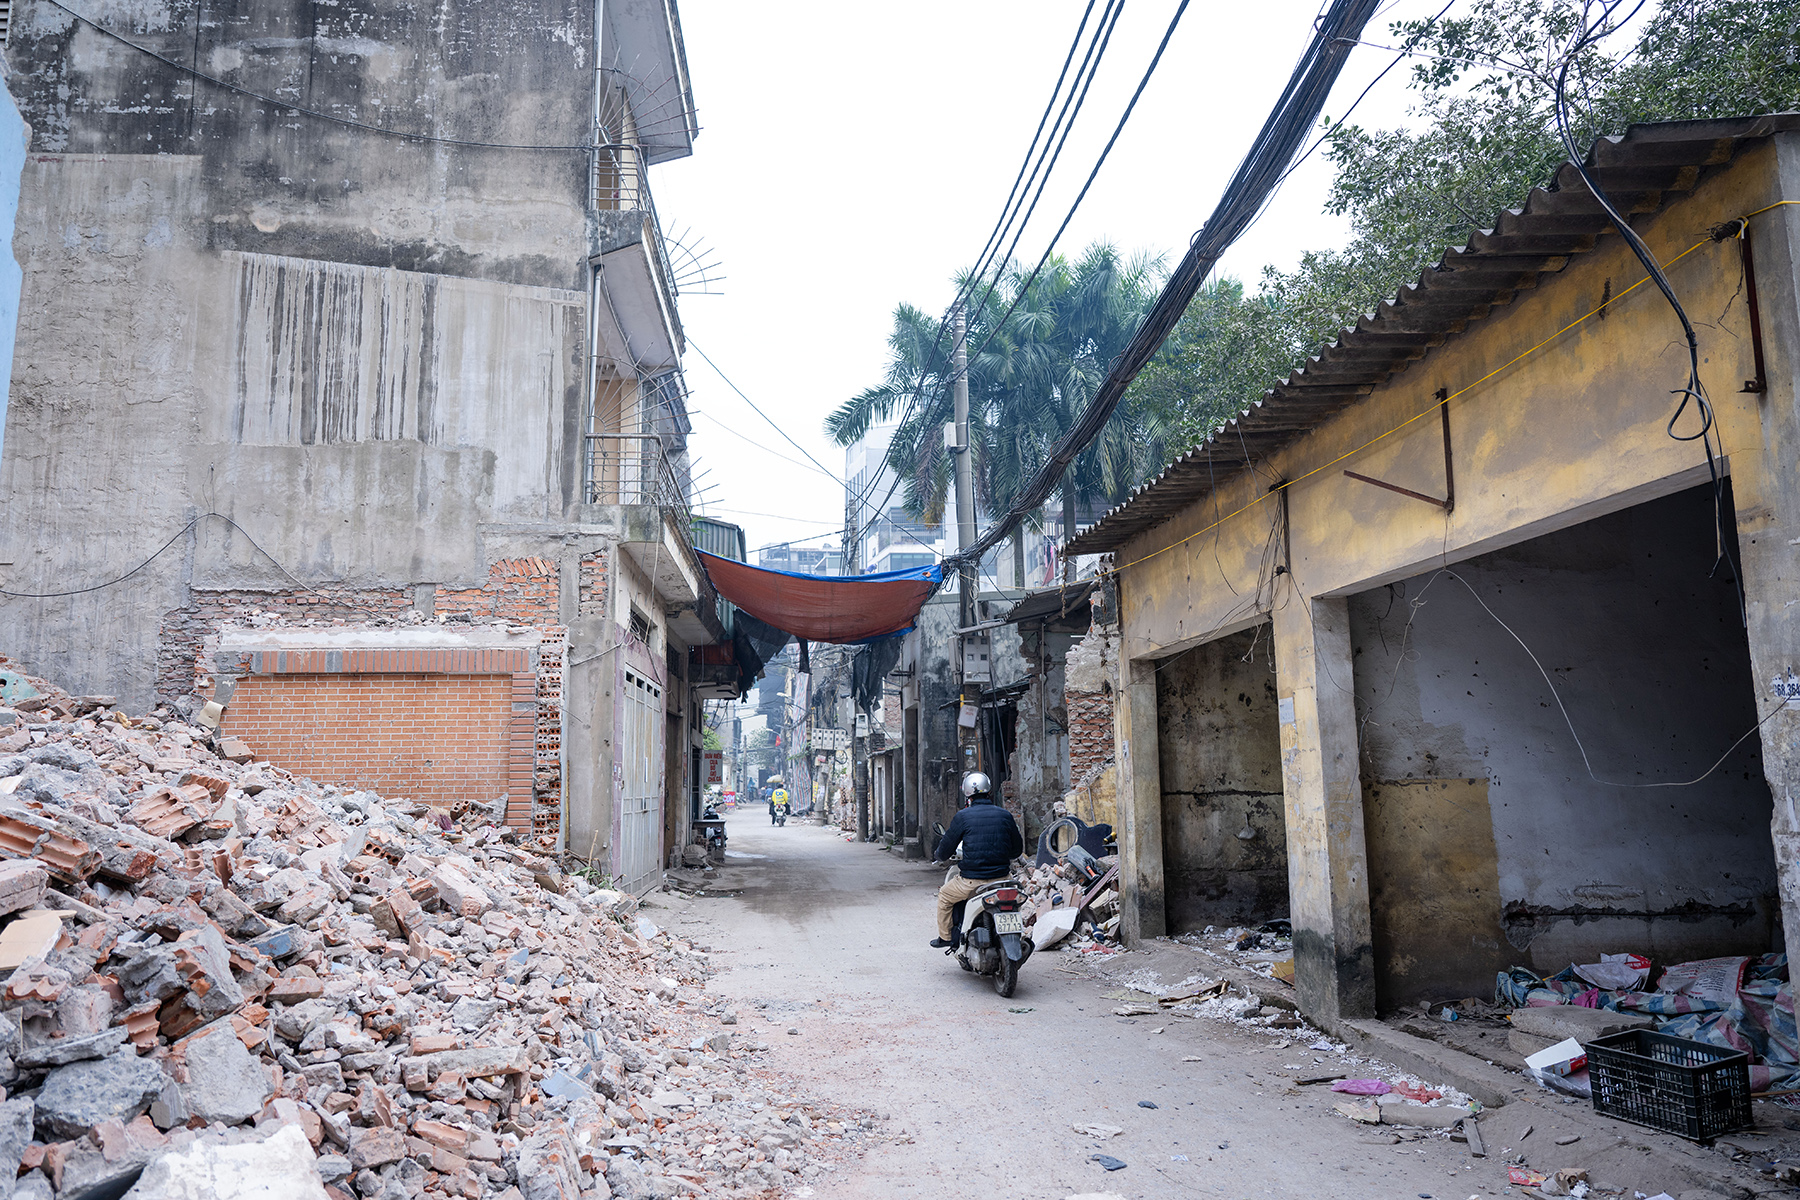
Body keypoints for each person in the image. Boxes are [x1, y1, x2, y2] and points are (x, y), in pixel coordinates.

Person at [930, 772, 1023, 948]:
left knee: (944, 896)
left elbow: (946, 847)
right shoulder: (1005, 815)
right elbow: (1017, 849)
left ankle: (946, 937)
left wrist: (939, 856)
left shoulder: (963, 817)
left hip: (971, 882)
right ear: (988, 791)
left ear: (967, 794)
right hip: (1002, 880)